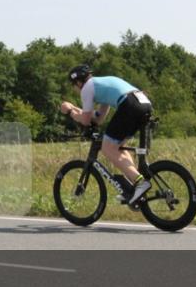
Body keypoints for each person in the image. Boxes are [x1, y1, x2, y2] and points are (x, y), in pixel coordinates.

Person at [59, 64, 153, 205]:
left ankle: (140, 182)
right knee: (118, 146)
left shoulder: (87, 88)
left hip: (130, 105)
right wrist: (76, 109)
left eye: (74, 85)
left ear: (78, 82)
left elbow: (85, 121)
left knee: (107, 148)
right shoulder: (100, 84)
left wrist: (70, 111)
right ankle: (134, 187)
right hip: (143, 103)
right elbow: (98, 118)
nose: (75, 89)